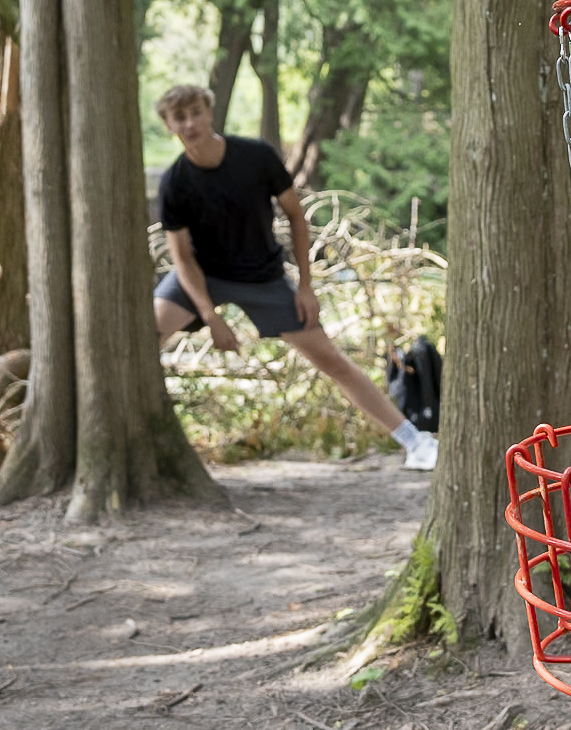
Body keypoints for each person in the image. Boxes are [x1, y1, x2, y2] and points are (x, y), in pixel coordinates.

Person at [149, 83, 438, 470]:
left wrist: (306, 285)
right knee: (143, 338)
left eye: (195, 112)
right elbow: (182, 257)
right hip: (202, 275)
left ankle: (415, 442)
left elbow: (296, 215)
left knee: (331, 360)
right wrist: (211, 315)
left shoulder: (256, 157)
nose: (190, 123)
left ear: (209, 111)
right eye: (179, 118)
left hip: (262, 277)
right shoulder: (174, 182)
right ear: (168, 126)